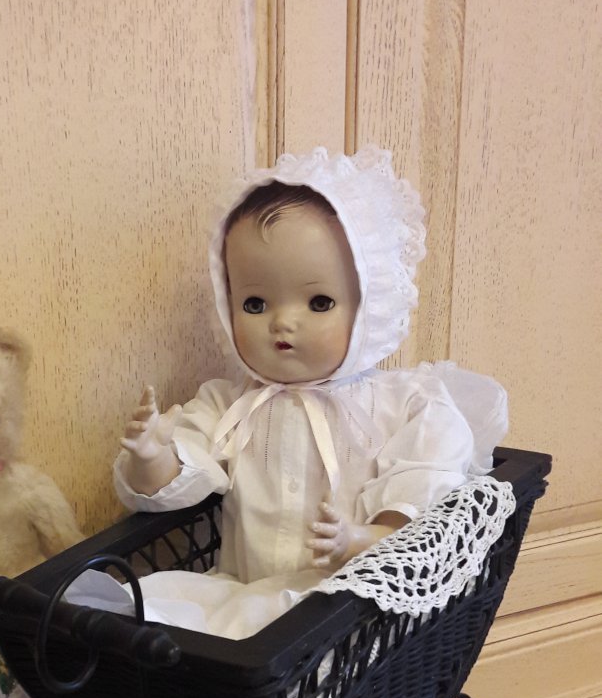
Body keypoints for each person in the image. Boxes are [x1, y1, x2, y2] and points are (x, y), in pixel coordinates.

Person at [110, 146, 507, 640]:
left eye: (319, 302)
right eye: (255, 303)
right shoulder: (226, 405)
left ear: (370, 306)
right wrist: (152, 456)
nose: (282, 322)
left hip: (344, 605)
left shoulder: (404, 403)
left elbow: (428, 477)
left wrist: (370, 538)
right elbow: (179, 477)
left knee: (258, 629)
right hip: (240, 589)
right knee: (154, 605)